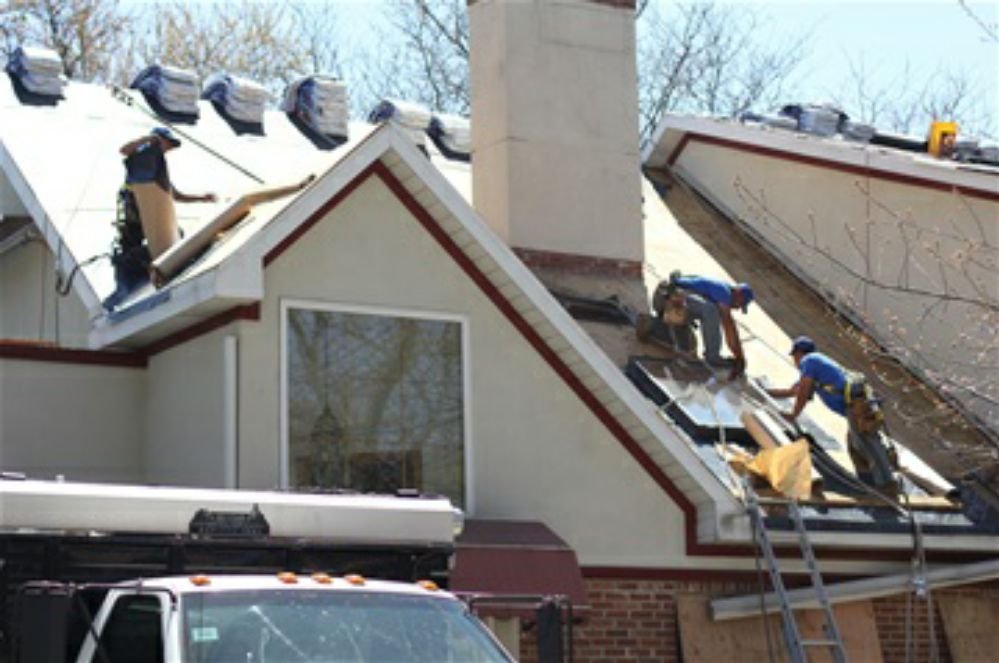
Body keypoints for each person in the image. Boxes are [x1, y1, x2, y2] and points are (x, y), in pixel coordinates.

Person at [104, 127, 216, 310]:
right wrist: (148, 139)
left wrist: (201, 198)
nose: (167, 149)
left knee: (174, 237)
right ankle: (123, 293)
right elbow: (124, 150)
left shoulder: (156, 170)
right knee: (130, 254)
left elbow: (173, 195)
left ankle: (152, 276)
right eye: (167, 144)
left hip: (146, 221)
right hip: (134, 219)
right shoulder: (142, 163)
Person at [767, 336, 897, 492]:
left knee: (866, 442)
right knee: (855, 446)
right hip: (857, 405)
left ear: (798, 353)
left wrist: (794, 414)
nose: (795, 361)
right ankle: (868, 484)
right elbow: (793, 391)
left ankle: (887, 484)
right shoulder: (817, 367)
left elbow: (802, 392)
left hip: (857, 404)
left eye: (794, 356)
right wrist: (763, 391)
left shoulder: (809, 361)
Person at [651, 271, 754, 377]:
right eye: (739, 305)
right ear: (738, 294)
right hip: (666, 298)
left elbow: (729, 325)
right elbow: (728, 325)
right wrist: (739, 357)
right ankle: (713, 357)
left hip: (667, 299)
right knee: (711, 310)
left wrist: (739, 356)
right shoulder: (724, 292)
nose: (736, 308)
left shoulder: (720, 289)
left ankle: (654, 326)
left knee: (687, 347)